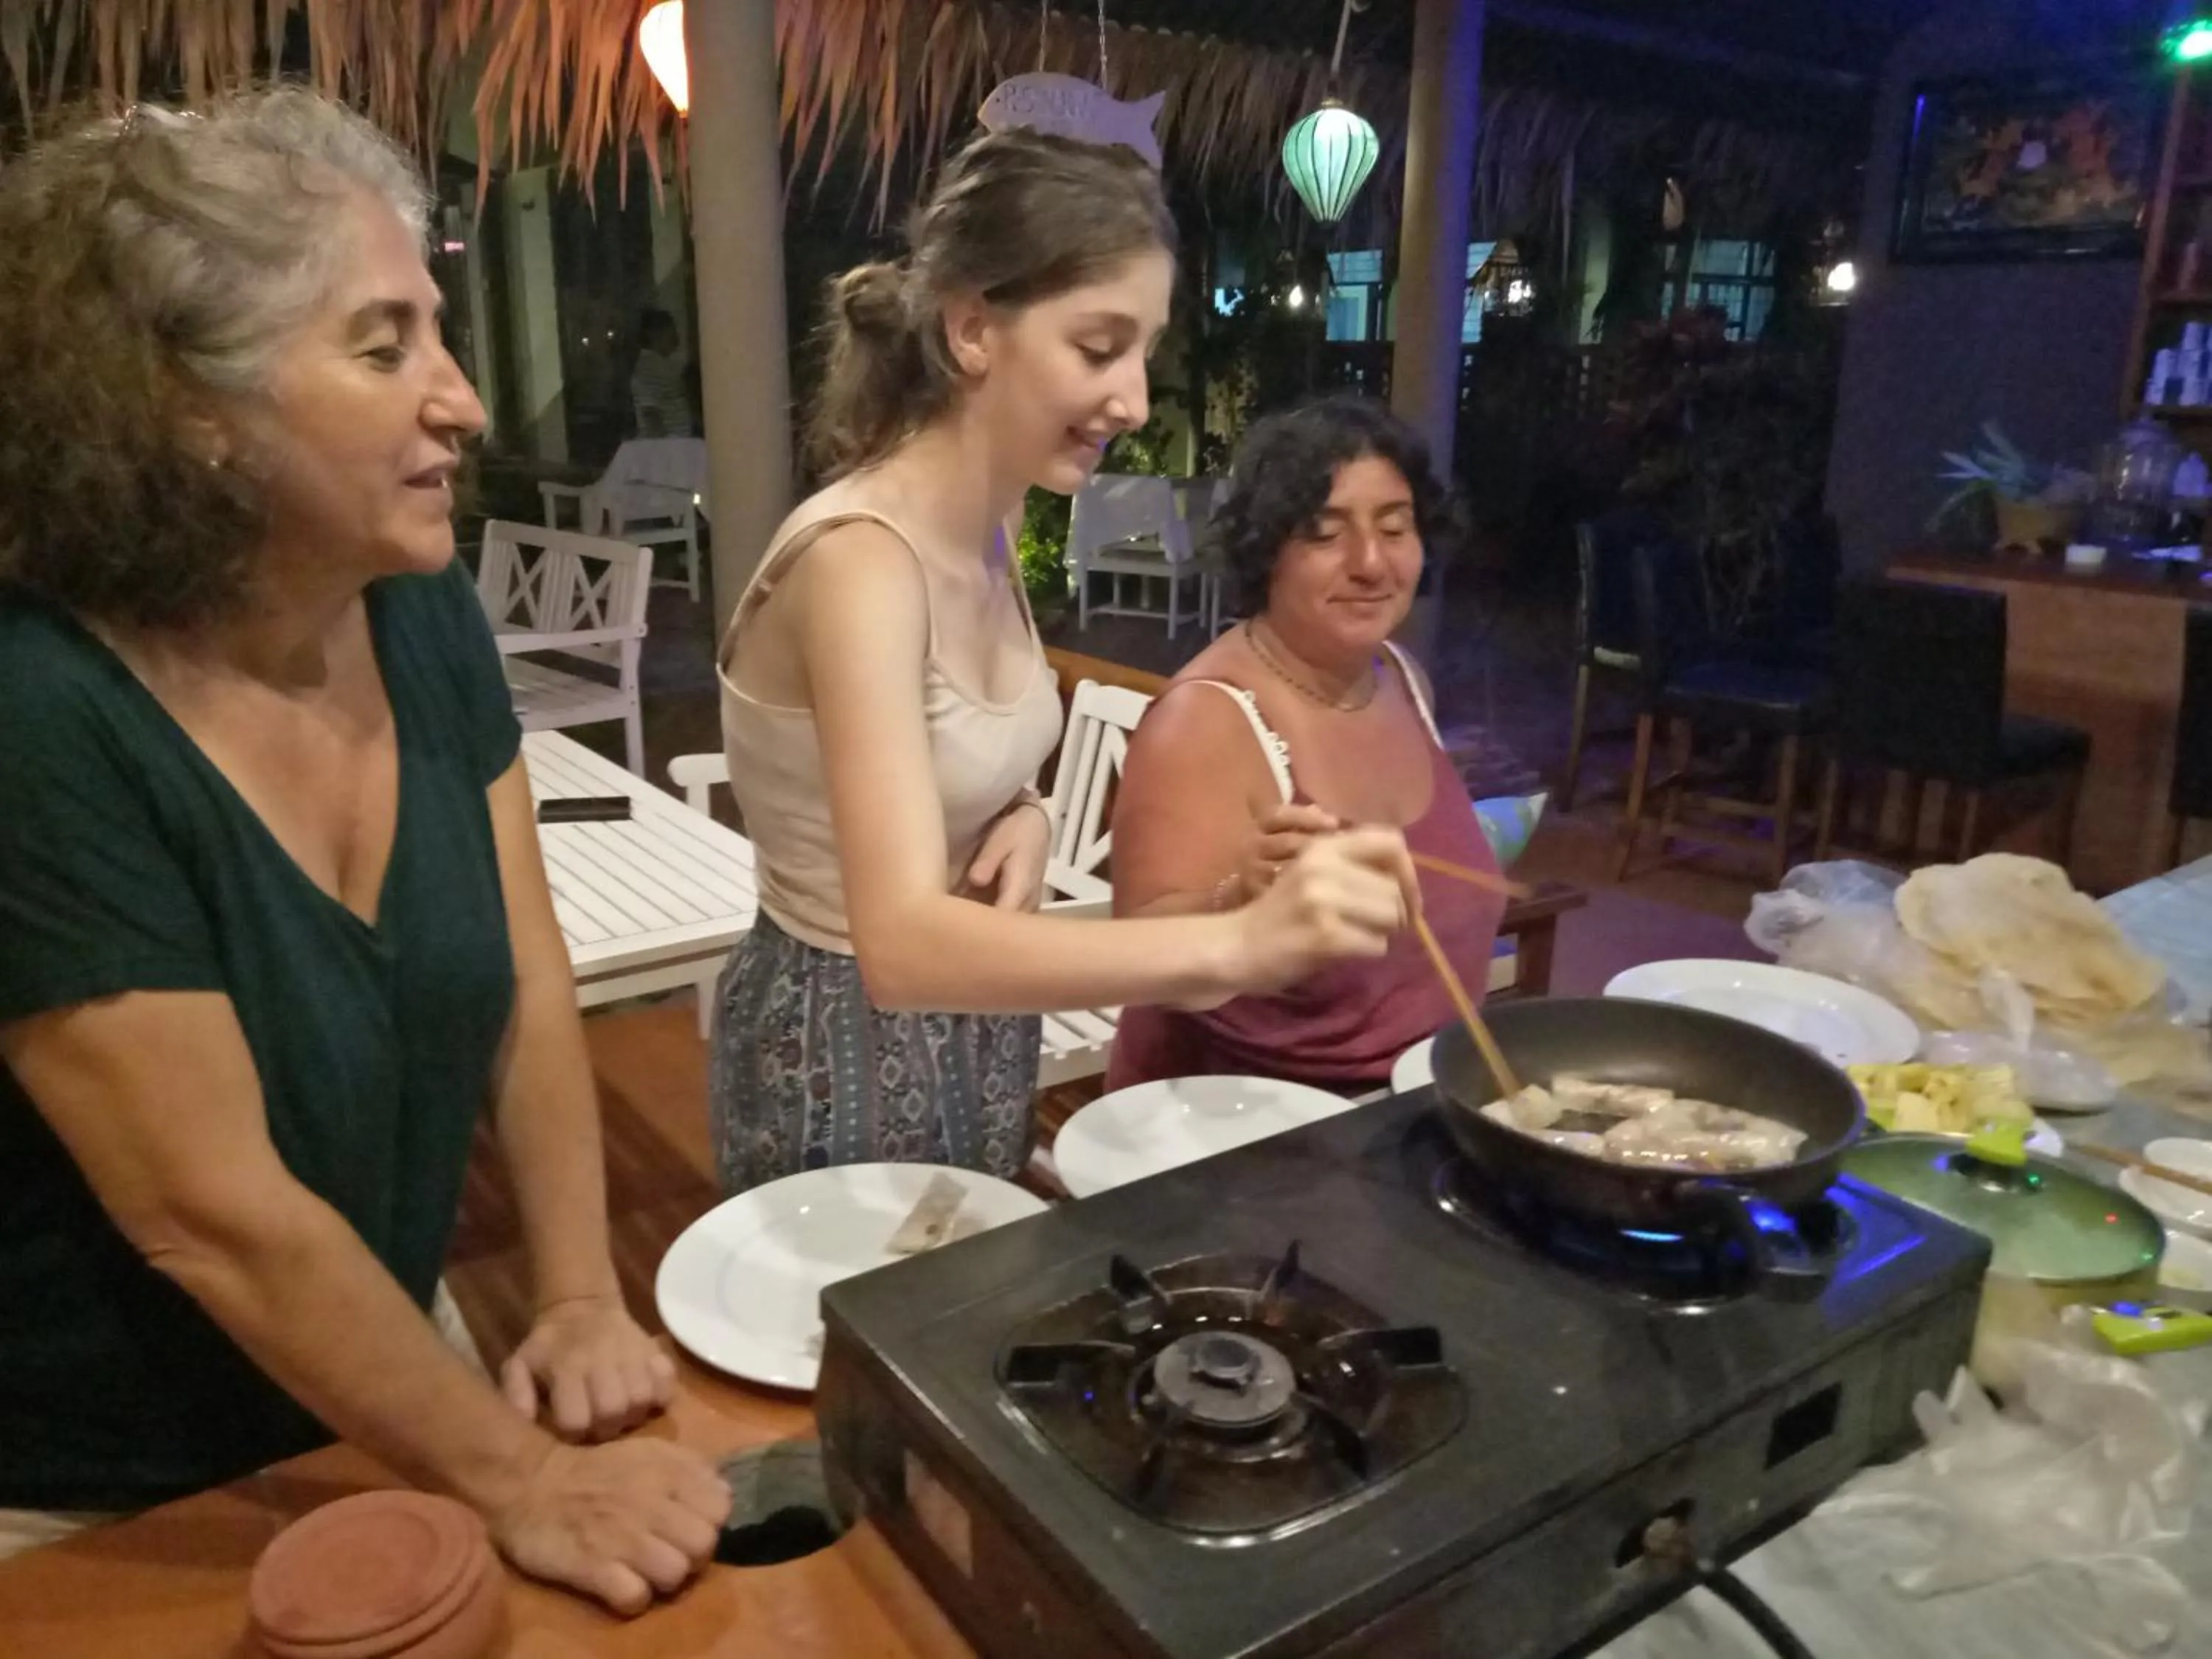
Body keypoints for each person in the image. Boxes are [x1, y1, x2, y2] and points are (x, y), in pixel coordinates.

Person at [0, 91, 728, 1611]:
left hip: (395, 1394)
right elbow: (208, 1212)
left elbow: (531, 971)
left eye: (440, 334)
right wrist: (524, 1477)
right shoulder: (40, 713)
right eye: (385, 345)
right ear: (189, 409)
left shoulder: (411, 606)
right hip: (103, 1506)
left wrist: (582, 1292)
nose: (462, 400)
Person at [712, 132, 1417, 1194]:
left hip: (983, 1015)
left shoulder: (987, 533)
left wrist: (1026, 810)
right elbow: (899, 941)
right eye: (1099, 348)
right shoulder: (862, 561)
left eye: (1143, 351)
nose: (1134, 399)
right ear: (971, 328)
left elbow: (951, 746)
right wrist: (1239, 941)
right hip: (841, 1037)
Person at [1105, 396, 1507, 1094]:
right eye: (1325, 534)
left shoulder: (1401, 677)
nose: (1371, 563)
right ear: (1268, 552)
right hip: (1256, 1138)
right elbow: (1147, 962)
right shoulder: (1205, 720)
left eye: (1396, 527)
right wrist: (1243, 901)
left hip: (1417, 1108)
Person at [630, 307, 696, 438]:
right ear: (655, 334)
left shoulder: (671, 362)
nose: (677, 336)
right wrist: (665, 449)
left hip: (680, 443)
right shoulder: (646, 370)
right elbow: (650, 414)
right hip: (668, 446)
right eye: (672, 331)